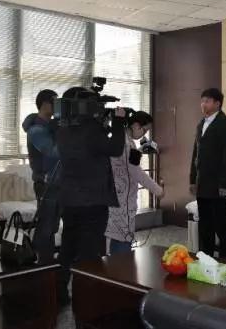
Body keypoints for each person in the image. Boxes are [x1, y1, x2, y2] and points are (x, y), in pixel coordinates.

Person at [55, 87, 126, 301]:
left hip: (69, 199)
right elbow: (115, 148)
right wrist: (118, 122)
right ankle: (85, 297)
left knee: (68, 247)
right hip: (92, 201)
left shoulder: (62, 129)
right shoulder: (92, 130)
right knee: (90, 251)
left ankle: (60, 291)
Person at [106, 110, 164, 255]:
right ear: (136, 125)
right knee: (123, 236)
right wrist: (158, 190)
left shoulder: (120, 139)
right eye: (145, 130)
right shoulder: (126, 144)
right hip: (122, 199)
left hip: (117, 195)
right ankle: (122, 265)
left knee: (115, 234)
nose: (144, 135)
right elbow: (137, 172)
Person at [189, 88, 226, 258]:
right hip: (202, 184)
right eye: (202, 101)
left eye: (207, 101)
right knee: (205, 225)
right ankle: (206, 258)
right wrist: (192, 180)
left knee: (221, 225)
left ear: (217, 103)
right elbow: (195, 154)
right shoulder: (201, 124)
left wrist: (224, 184)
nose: (203, 104)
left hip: (218, 186)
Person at [22, 89, 60, 265]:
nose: (57, 107)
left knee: (52, 226)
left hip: (57, 181)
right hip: (45, 183)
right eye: (55, 103)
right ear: (44, 104)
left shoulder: (50, 126)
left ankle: (47, 262)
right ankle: (42, 263)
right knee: (46, 225)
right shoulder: (36, 129)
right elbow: (52, 152)